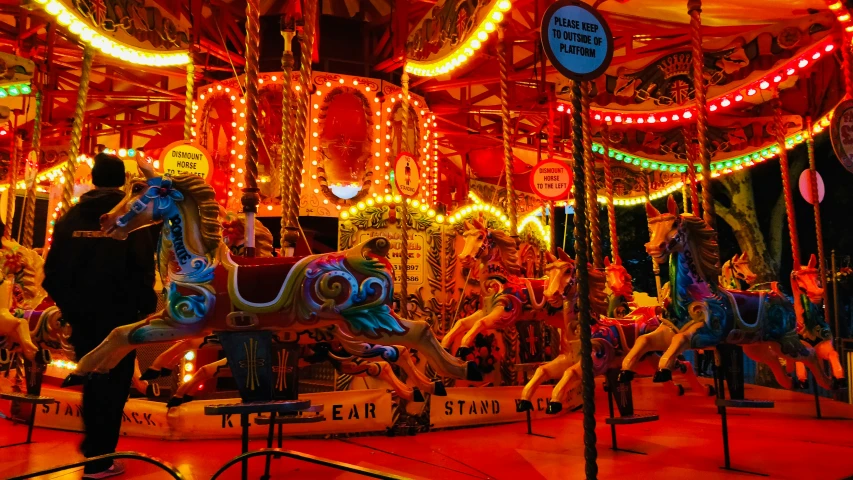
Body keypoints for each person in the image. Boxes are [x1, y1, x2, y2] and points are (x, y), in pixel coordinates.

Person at [43, 153, 157, 479]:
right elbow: (143, 269)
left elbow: (51, 273)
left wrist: (72, 307)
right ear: (121, 181)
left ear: (93, 179)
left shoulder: (69, 219)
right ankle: (100, 457)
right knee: (116, 384)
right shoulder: (131, 219)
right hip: (120, 317)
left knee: (92, 379)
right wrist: (143, 308)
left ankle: (95, 448)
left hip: (83, 316)